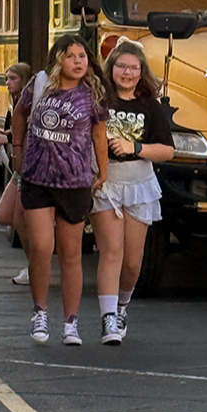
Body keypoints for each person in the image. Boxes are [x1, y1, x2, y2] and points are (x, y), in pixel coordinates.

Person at [11, 35, 108, 346]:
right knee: (40, 247)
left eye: (82, 56)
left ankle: (71, 321)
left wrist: (102, 171)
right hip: (38, 178)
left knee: (70, 254)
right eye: (71, 56)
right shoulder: (38, 86)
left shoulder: (91, 93)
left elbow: (99, 133)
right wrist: (17, 149)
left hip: (74, 182)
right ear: (57, 61)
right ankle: (40, 312)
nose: (79, 62)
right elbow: (19, 115)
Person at [90, 38, 174, 344]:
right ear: (111, 68)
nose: (127, 72)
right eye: (121, 66)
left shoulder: (150, 106)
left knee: (132, 261)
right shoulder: (99, 101)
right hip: (106, 182)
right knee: (111, 251)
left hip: (139, 183)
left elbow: (167, 151)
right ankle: (108, 318)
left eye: (133, 67)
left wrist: (135, 147)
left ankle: (122, 306)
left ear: (141, 72)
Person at [0, 62, 33, 285]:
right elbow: (17, 129)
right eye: (7, 79)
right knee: (5, 215)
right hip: (20, 168)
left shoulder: (30, 102)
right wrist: (6, 133)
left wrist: (9, 138)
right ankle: (34, 263)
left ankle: (35, 266)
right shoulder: (16, 103)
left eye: (13, 78)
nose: (8, 83)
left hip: (29, 168)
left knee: (19, 218)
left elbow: (28, 130)